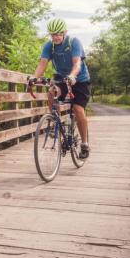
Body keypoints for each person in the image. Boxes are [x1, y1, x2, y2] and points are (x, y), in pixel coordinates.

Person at [30, 18, 91, 158]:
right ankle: (54, 120)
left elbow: (77, 63)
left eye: (58, 34)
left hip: (80, 79)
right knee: (52, 92)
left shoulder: (74, 42)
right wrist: (34, 77)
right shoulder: (49, 46)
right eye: (52, 34)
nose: (55, 37)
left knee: (78, 109)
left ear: (64, 32)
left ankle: (85, 144)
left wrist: (72, 76)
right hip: (61, 78)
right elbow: (42, 64)